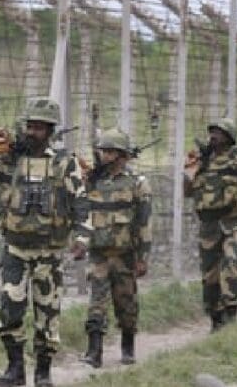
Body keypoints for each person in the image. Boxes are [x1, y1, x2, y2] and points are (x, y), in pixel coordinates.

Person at [0, 97, 87, 387]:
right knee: (10, 309)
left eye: (39, 128)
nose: (33, 132)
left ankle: (43, 371)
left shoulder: (65, 163)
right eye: (30, 126)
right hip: (15, 250)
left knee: (47, 313)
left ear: (50, 131)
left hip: (49, 253)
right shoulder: (10, 160)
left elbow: (80, 200)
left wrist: (83, 236)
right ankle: (15, 368)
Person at [71, 128, 152, 368]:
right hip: (99, 254)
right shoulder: (92, 181)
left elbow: (144, 223)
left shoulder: (137, 183)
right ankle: (94, 352)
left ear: (122, 155)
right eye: (103, 151)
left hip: (125, 255)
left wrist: (143, 257)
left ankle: (128, 347)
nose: (104, 156)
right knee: (97, 301)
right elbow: (82, 213)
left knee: (126, 303)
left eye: (109, 152)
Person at [183, 118, 237, 331]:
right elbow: (187, 192)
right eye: (211, 132)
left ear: (229, 137)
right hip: (209, 225)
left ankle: (231, 314)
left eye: (218, 132)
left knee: (230, 264)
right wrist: (189, 172)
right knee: (209, 274)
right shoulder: (202, 161)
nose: (213, 136)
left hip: (235, 223)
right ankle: (215, 318)